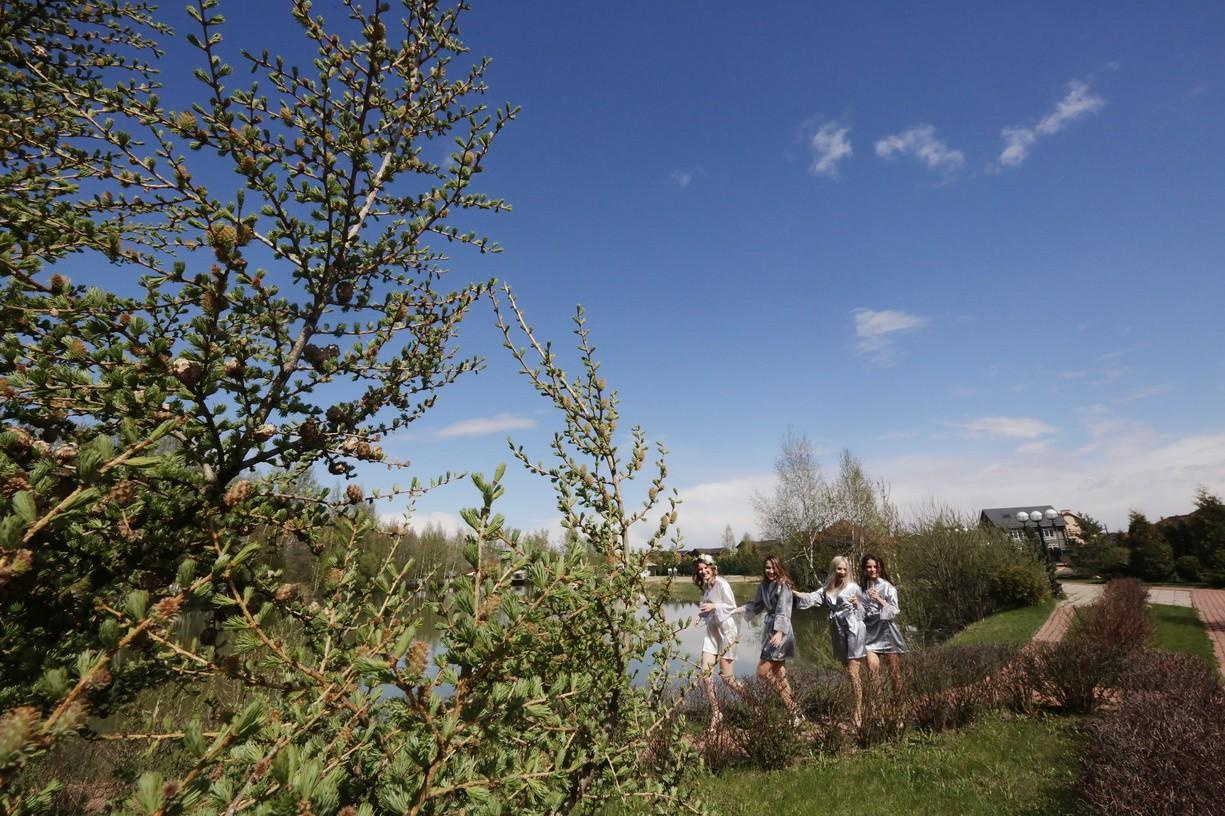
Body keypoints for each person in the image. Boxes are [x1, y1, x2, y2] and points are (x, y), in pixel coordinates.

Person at [795, 555, 867, 726]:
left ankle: (858, 712)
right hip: (837, 630)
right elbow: (810, 598)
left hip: (853, 628)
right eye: (838, 569)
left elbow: (865, 611)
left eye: (844, 569)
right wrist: (790, 591)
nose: (841, 572)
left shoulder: (853, 587)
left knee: (852, 671)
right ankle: (859, 702)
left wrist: (857, 604)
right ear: (833, 570)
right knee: (847, 671)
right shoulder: (827, 588)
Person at [733, 555, 798, 720]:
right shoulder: (764, 585)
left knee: (762, 672)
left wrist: (779, 632)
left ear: (779, 567)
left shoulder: (784, 585)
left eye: (773, 567)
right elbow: (756, 605)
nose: (770, 571)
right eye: (767, 568)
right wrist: (734, 610)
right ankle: (795, 714)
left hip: (780, 632)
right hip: (770, 630)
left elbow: (785, 609)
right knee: (779, 673)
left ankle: (792, 708)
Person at [692, 554, 744, 730]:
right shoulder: (706, 587)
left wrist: (714, 607)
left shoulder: (722, 583)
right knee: (705, 673)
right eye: (700, 569)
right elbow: (707, 608)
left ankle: (754, 701)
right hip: (711, 632)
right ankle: (716, 713)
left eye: (705, 567)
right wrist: (700, 616)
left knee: (727, 678)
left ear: (712, 567)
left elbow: (732, 606)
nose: (703, 571)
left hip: (726, 632)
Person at [860, 553, 907, 698]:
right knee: (872, 673)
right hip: (870, 636)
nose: (872, 569)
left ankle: (900, 709)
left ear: (880, 568)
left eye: (875, 566)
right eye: (869, 567)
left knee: (895, 674)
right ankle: (880, 712)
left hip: (887, 634)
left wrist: (879, 600)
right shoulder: (860, 589)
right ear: (864, 569)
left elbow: (893, 613)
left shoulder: (888, 587)